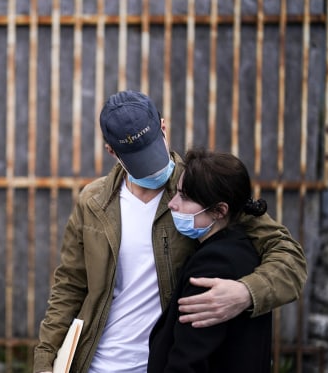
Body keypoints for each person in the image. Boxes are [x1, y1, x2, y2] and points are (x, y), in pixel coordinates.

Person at [33, 90, 306, 373]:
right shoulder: (93, 201)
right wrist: (45, 359)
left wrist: (247, 292)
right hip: (96, 363)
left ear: (163, 127)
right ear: (112, 152)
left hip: (161, 363)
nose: (153, 168)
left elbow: (289, 257)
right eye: (139, 160)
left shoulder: (202, 188)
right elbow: (69, 285)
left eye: (153, 150)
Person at [148, 148, 272, 373]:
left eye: (185, 197)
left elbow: (188, 360)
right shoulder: (243, 249)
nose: (172, 204)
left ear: (219, 211)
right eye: (176, 193)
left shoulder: (214, 264)